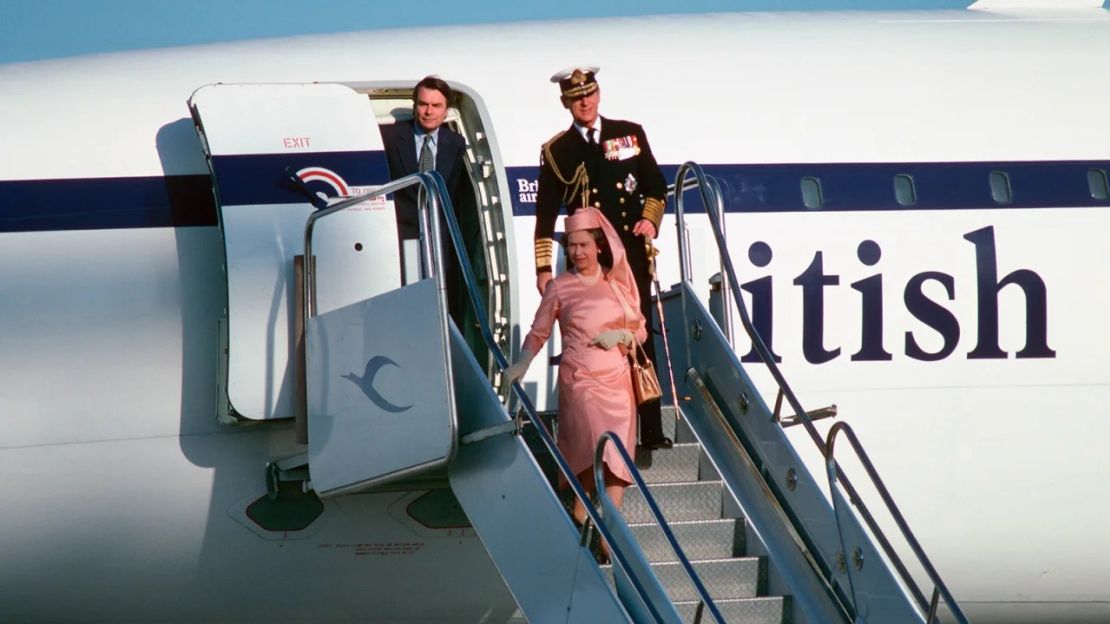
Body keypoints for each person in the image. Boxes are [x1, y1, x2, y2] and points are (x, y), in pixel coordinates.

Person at [534, 65, 672, 450]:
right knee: (589, 341)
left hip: (628, 253)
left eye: (590, 95)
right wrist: (543, 267)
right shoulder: (558, 151)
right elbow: (545, 213)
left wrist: (649, 220)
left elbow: (656, 187)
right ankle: (593, 430)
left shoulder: (628, 134)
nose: (585, 102)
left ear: (599, 95)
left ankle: (651, 427)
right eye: (577, 98)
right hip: (587, 263)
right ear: (566, 103)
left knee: (639, 334)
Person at [503, 207, 646, 560]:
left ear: (599, 246)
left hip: (618, 380)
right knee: (592, 444)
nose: (577, 252)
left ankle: (609, 527)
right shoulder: (560, 287)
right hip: (580, 380)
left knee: (618, 453)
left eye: (583, 244)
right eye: (571, 246)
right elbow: (539, 331)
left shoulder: (617, 283)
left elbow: (641, 327)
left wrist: (623, 334)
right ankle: (582, 510)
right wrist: (523, 362)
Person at [380, 75, 468, 282]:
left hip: (438, 239)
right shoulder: (390, 138)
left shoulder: (455, 143)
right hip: (398, 238)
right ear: (415, 106)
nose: (429, 112)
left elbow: (453, 194)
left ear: (446, 110)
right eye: (423, 104)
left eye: (436, 106)